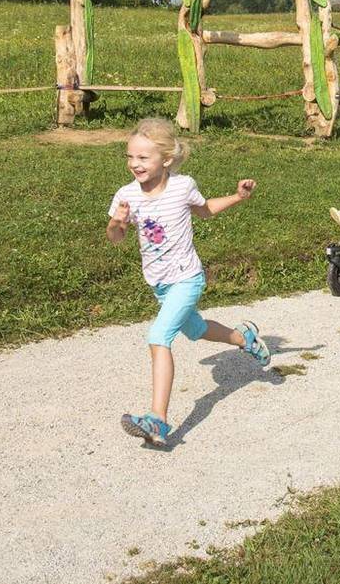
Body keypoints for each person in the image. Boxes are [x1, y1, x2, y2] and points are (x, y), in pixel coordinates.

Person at [107, 118, 271, 445]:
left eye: (143, 158)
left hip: (187, 278)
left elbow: (205, 210)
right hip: (160, 284)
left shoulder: (182, 186)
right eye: (130, 157)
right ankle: (245, 338)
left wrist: (238, 197)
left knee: (158, 336)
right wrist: (118, 223)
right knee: (195, 329)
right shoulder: (126, 196)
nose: (134, 164)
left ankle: (157, 420)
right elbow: (115, 238)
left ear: (166, 160)